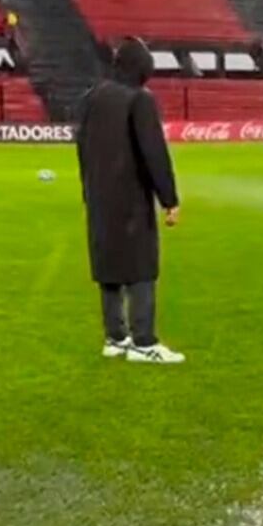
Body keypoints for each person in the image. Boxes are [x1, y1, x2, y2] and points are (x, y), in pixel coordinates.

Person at [76, 36, 183, 363]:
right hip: (131, 198)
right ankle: (144, 342)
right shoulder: (140, 99)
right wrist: (169, 199)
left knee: (108, 266)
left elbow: (81, 148)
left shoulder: (92, 96)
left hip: (98, 196)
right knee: (140, 268)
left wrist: (88, 190)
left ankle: (115, 338)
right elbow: (154, 153)